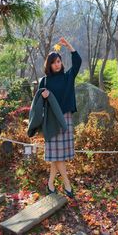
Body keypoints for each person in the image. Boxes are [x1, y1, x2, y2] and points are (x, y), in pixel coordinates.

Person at [38, 37, 82, 198]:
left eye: (59, 61)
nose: (57, 64)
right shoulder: (45, 81)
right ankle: (67, 184)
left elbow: (77, 61)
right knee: (58, 155)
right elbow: (37, 102)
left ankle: (50, 183)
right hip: (51, 120)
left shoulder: (68, 77)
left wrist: (69, 45)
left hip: (66, 119)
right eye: (54, 62)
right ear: (49, 65)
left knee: (58, 156)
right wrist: (43, 95)